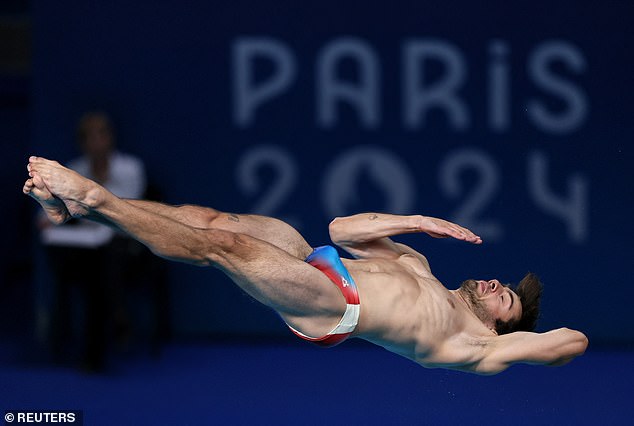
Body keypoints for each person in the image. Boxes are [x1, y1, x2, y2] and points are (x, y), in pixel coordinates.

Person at [23, 156, 588, 375]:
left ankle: (94, 200)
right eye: (502, 283)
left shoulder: (478, 348)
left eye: (503, 298)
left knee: (226, 251)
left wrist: (523, 340)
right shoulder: (419, 263)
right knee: (214, 222)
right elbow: (342, 230)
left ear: (497, 326)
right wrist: (415, 221)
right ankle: (79, 210)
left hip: (336, 308)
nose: (494, 285)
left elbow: (574, 342)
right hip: (319, 261)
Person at [37, 112, 147, 371]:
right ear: (82, 142)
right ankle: (118, 317)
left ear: (111, 138)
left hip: (126, 250)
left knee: (103, 265)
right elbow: (44, 216)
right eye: (89, 136)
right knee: (95, 268)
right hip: (86, 254)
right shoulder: (72, 171)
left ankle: (93, 351)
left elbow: (129, 215)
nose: (96, 141)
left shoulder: (131, 169)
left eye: (102, 133)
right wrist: (51, 209)